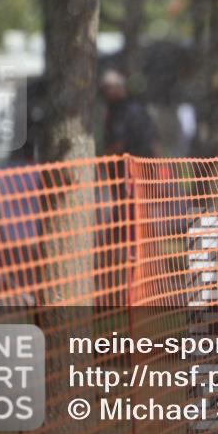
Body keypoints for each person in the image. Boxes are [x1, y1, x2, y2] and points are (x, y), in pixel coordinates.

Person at [98, 68, 157, 305]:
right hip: (140, 173)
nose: (105, 93)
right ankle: (133, 275)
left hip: (128, 175)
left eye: (107, 88)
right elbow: (154, 142)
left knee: (123, 225)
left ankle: (120, 279)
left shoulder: (121, 110)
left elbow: (118, 142)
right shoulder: (138, 107)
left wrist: (100, 161)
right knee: (135, 224)